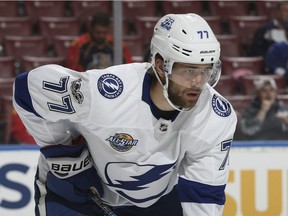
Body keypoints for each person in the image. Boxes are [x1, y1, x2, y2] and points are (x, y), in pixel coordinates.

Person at [13, 13, 237, 216]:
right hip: (74, 196)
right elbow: (27, 91)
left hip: (154, 202)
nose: (198, 83)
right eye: (188, 70)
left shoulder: (215, 117)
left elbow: (204, 195)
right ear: (160, 66)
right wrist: (65, 154)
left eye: (206, 70)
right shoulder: (106, 94)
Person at [66, 12, 132, 71]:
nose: (101, 36)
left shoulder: (117, 44)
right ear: (91, 29)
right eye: (98, 32)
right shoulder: (78, 44)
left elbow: (129, 66)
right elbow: (72, 69)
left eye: (104, 33)